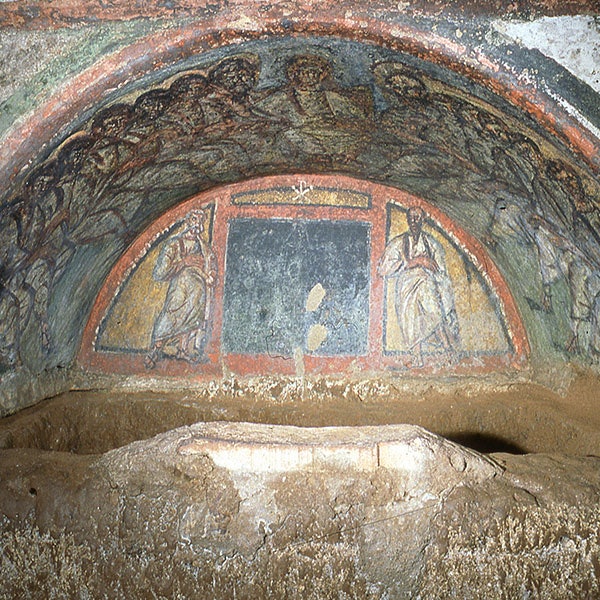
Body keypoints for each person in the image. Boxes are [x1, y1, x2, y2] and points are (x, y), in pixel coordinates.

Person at [378, 206, 459, 366]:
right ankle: (416, 356)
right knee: (410, 319)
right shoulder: (399, 242)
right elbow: (383, 269)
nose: (414, 221)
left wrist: (437, 279)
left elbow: (440, 269)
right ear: (407, 220)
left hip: (426, 283)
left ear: (423, 220)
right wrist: (414, 262)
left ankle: (448, 349)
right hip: (406, 288)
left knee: (435, 313)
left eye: (417, 218)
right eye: (411, 217)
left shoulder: (431, 243)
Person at [145, 209, 215, 368]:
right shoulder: (174, 244)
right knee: (172, 316)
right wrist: (184, 262)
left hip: (198, 292)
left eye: (201, 220)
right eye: (194, 219)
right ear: (187, 221)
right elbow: (160, 272)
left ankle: (183, 350)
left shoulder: (203, 247)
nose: (197, 223)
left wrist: (211, 273)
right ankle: (156, 349)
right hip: (180, 290)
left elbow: (211, 263)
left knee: (192, 319)